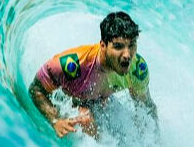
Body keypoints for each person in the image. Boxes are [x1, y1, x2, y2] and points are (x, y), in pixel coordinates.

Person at [29, 12, 158, 138]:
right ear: (103, 45)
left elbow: (146, 107)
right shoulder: (73, 65)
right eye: (118, 47)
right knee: (86, 120)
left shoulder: (137, 70)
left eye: (132, 45)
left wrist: (155, 143)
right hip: (69, 100)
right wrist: (55, 120)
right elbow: (36, 89)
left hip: (101, 101)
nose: (127, 55)